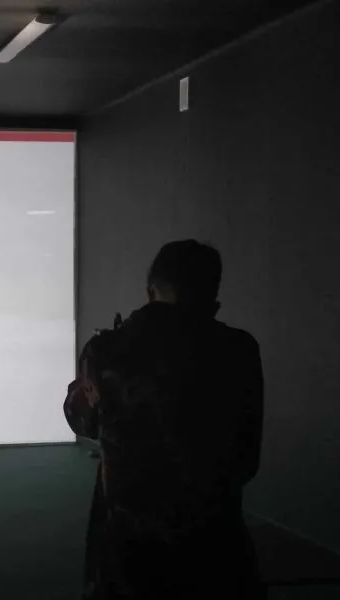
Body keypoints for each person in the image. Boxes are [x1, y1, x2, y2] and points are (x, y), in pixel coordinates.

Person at [65, 240, 264, 600]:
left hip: (126, 540)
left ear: (151, 288)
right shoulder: (239, 349)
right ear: (213, 290)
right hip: (214, 540)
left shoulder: (106, 350)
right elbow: (246, 457)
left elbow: (84, 422)